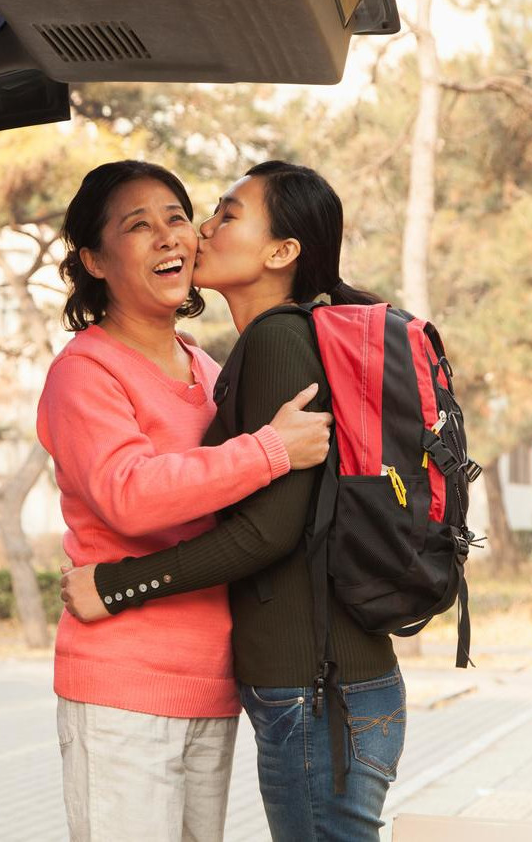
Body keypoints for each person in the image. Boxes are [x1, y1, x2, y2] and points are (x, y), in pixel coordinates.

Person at [61, 161, 405, 842]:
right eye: (138, 225)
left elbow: (268, 524)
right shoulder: (85, 370)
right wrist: (268, 450)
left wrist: (121, 582)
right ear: (94, 260)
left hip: (225, 685)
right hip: (127, 684)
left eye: (178, 217)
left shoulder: (223, 364)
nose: (179, 235)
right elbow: (131, 495)